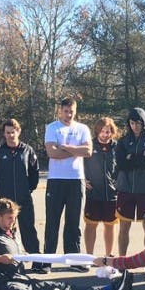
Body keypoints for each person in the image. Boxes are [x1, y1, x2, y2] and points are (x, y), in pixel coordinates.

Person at [0, 198, 133, 290]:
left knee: (62, 286)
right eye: (9, 219)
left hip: (23, 279)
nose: (13, 222)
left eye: (14, 218)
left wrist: (24, 255)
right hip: (3, 285)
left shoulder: (13, 234)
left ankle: (109, 289)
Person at [42, 97, 93, 272]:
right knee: (52, 222)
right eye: (65, 111)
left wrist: (65, 147)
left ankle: (73, 260)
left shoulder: (82, 128)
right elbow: (52, 153)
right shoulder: (52, 127)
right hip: (56, 181)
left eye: (71, 111)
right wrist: (75, 150)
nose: (68, 114)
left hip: (76, 180)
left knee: (74, 223)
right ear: (60, 111)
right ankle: (46, 261)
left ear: (75, 111)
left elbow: (88, 151)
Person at [115, 107, 145, 278]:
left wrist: (133, 158)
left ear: (144, 123)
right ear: (129, 123)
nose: (135, 126)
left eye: (139, 122)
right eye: (132, 122)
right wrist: (142, 157)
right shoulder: (122, 141)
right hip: (126, 189)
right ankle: (122, 262)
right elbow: (121, 163)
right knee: (124, 227)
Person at [0, 118, 40, 256]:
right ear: (4, 134)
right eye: (8, 133)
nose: (11, 135)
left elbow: (34, 172)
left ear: (18, 132)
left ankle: (36, 258)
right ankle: (6, 256)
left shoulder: (27, 150)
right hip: (6, 198)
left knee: (28, 228)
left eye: (13, 132)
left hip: (24, 197)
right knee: (5, 228)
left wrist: (29, 188)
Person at [83, 117, 118, 257]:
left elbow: (122, 168)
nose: (105, 134)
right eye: (102, 131)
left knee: (110, 225)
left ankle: (108, 256)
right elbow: (78, 164)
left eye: (108, 131)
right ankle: (89, 256)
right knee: (91, 225)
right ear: (97, 131)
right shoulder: (89, 145)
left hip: (111, 193)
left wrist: (119, 184)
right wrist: (83, 180)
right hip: (93, 193)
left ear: (112, 132)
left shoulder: (117, 147)